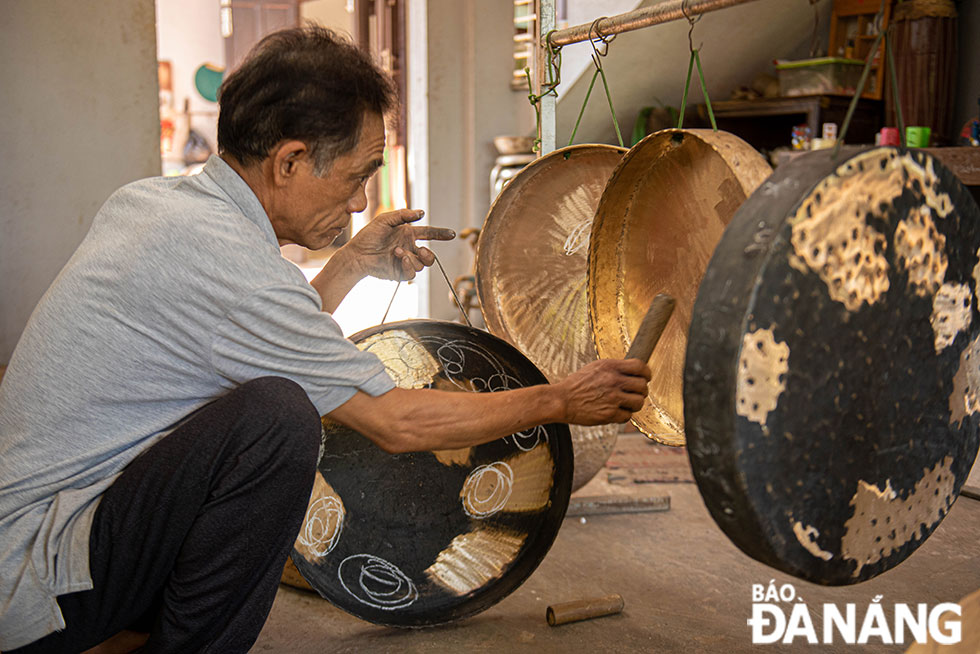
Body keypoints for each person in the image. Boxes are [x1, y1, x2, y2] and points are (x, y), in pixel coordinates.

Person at [0, 26, 650, 653]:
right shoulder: (233, 265)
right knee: (277, 418)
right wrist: (559, 400)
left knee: (269, 399)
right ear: (290, 160)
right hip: (37, 579)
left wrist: (351, 264)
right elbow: (394, 422)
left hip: (37, 543)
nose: (362, 202)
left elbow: (256, 336)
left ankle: (125, 633)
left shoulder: (159, 206)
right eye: (356, 176)